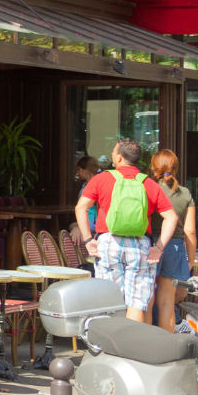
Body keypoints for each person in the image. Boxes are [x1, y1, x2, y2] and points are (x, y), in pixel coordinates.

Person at [75, 139, 177, 324]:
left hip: (108, 242)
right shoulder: (149, 183)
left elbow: (81, 208)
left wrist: (88, 239)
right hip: (140, 244)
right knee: (136, 302)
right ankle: (132, 349)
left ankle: (112, 347)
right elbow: (171, 217)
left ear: (119, 157)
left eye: (114, 152)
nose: (113, 155)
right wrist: (159, 248)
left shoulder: (101, 178)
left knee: (109, 299)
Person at [148, 148, 197, 333]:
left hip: (149, 244)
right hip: (174, 247)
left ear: (153, 168)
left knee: (146, 298)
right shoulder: (184, 193)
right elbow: (190, 231)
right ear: (175, 168)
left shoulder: (148, 188)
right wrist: (190, 259)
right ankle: (166, 345)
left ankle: (144, 344)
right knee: (167, 300)